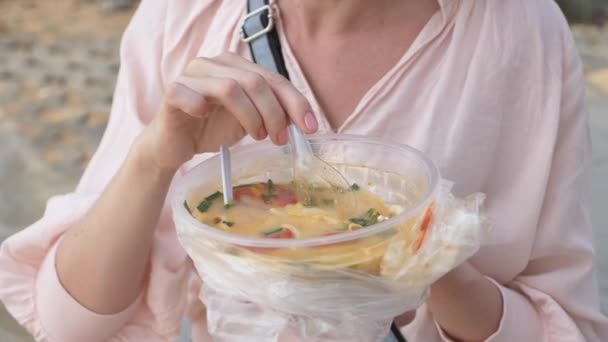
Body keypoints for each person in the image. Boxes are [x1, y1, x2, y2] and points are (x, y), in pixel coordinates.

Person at [1, 0, 607, 341]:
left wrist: (428, 264)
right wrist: (154, 159)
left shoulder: (519, 31)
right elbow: (69, 326)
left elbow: (566, 326)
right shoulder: (184, 16)